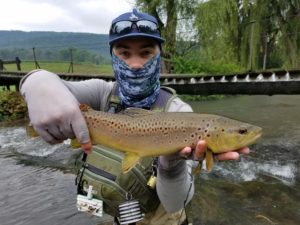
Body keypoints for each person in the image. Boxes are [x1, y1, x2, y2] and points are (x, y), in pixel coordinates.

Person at [20, 9, 250, 225]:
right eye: (124, 53)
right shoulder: (101, 93)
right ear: (112, 55)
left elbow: (174, 205)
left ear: (159, 55)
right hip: (115, 212)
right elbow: (54, 87)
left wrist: (170, 166)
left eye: (146, 52)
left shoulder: (180, 112)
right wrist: (37, 84)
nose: (136, 64)